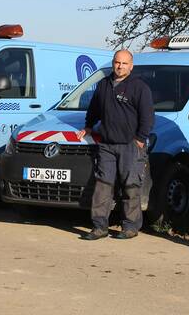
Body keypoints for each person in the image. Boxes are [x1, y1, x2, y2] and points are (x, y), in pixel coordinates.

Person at [76, 49, 153, 240]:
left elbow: (147, 116)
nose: (120, 66)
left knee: (130, 186)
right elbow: (94, 109)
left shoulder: (139, 87)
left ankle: (130, 226)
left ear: (131, 66)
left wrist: (140, 139)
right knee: (103, 185)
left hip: (130, 145)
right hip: (106, 145)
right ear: (113, 63)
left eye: (124, 63)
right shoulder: (103, 84)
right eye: (117, 62)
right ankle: (99, 226)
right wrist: (88, 126)